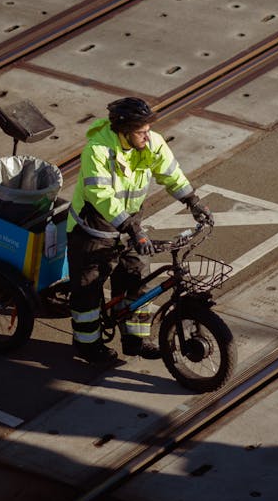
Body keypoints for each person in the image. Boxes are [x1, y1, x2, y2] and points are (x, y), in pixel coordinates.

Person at [67, 97, 213, 365]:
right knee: (88, 290)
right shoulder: (98, 150)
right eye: (141, 131)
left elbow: (170, 173)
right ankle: (87, 345)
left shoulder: (151, 142)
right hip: (93, 229)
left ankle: (135, 340)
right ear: (124, 131)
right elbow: (100, 194)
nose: (147, 136)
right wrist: (132, 228)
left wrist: (192, 201)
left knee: (137, 278)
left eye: (147, 130)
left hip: (129, 224)